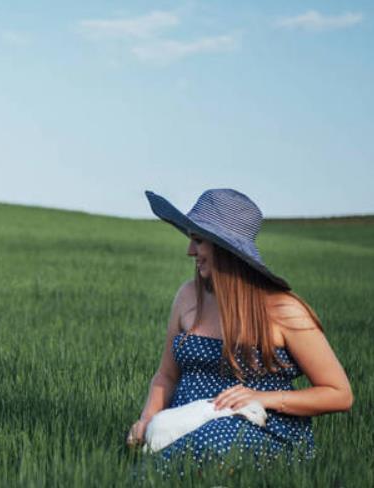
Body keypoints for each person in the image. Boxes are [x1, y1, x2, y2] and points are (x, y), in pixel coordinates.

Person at [126, 189, 353, 462]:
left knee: (195, 452)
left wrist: (263, 398)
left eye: (198, 240)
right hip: (181, 424)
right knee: (152, 456)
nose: (189, 251)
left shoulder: (283, 310)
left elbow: (339, 394)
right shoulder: (188, 297)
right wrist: (146, 420)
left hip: (260, 429)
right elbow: (166, 376)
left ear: (223, 248)